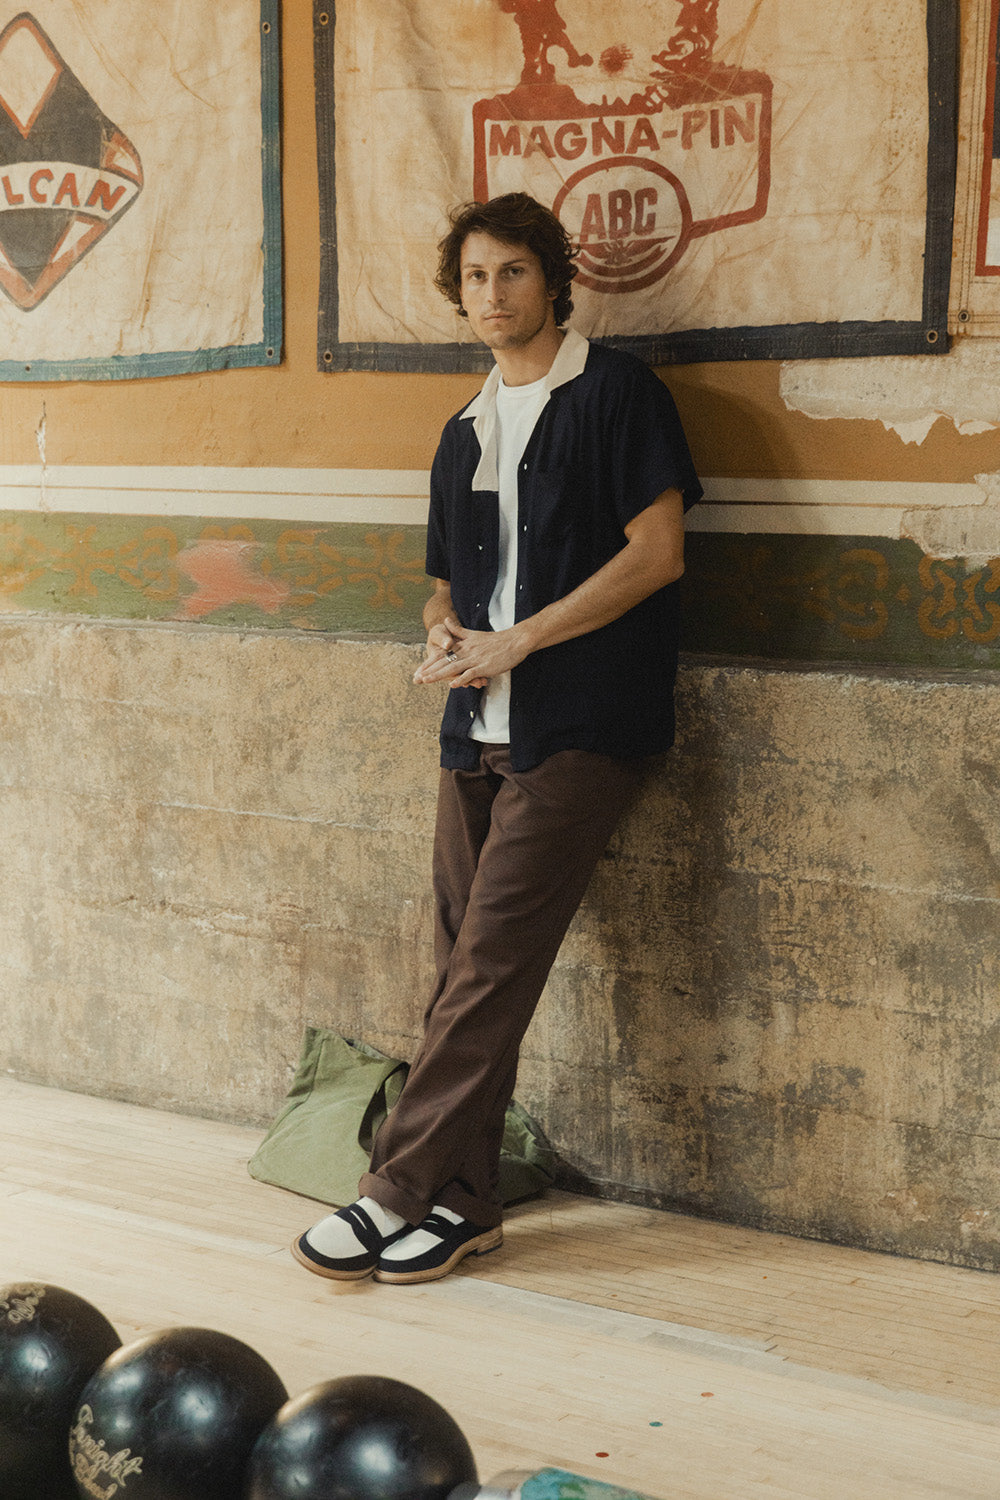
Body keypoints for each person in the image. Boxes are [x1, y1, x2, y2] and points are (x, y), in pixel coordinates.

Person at [292, 192, 701, 1286]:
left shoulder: (616, 396)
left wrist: (518, 640)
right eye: (473, 277)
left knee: (489, 968)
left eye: (511, 273)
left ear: (554, 280)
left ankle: (392, 1189)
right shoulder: (462, 427)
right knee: (457, 970)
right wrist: (446, 639)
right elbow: (442, 587)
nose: (491, 295)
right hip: (471, 722)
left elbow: (657, 554)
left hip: (579, 726)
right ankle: (466, 1205)